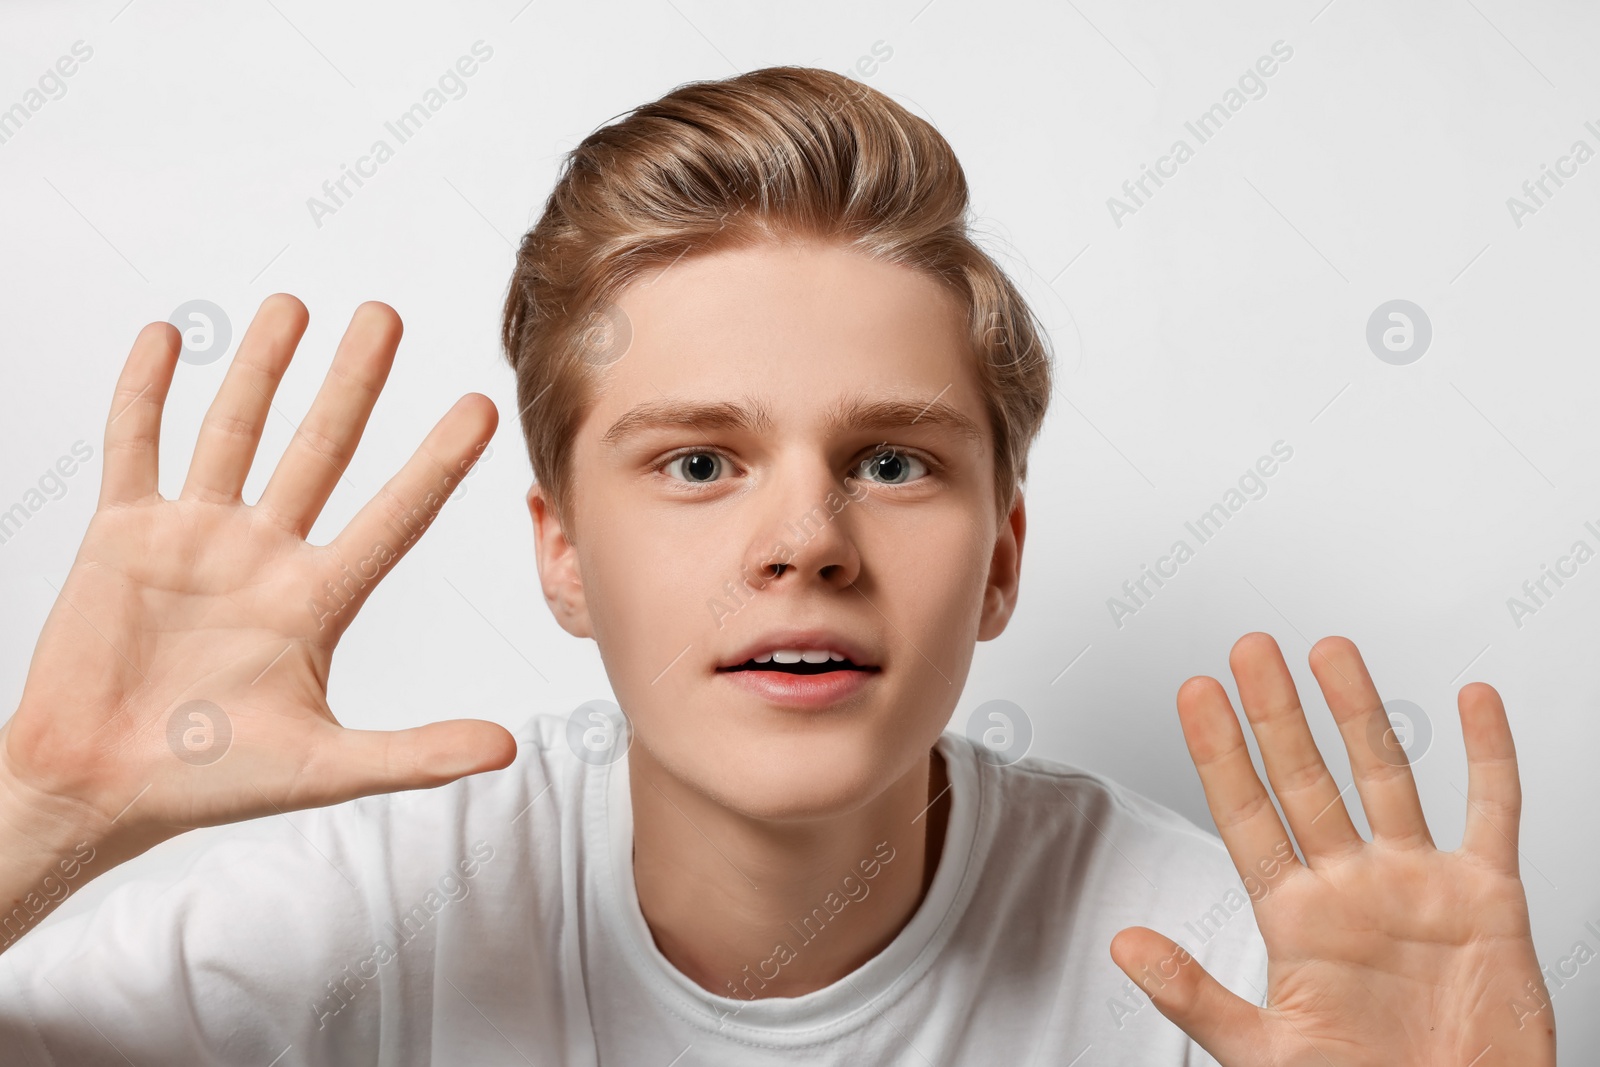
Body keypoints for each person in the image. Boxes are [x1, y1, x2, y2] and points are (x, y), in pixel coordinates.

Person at [0, 66, 1554, 1065]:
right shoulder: (378, 915)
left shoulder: (1242, 978)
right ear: (562, 556)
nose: (806, 541)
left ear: (1001, 559)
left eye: (893, 462)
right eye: (697, 464)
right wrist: (44, 809)